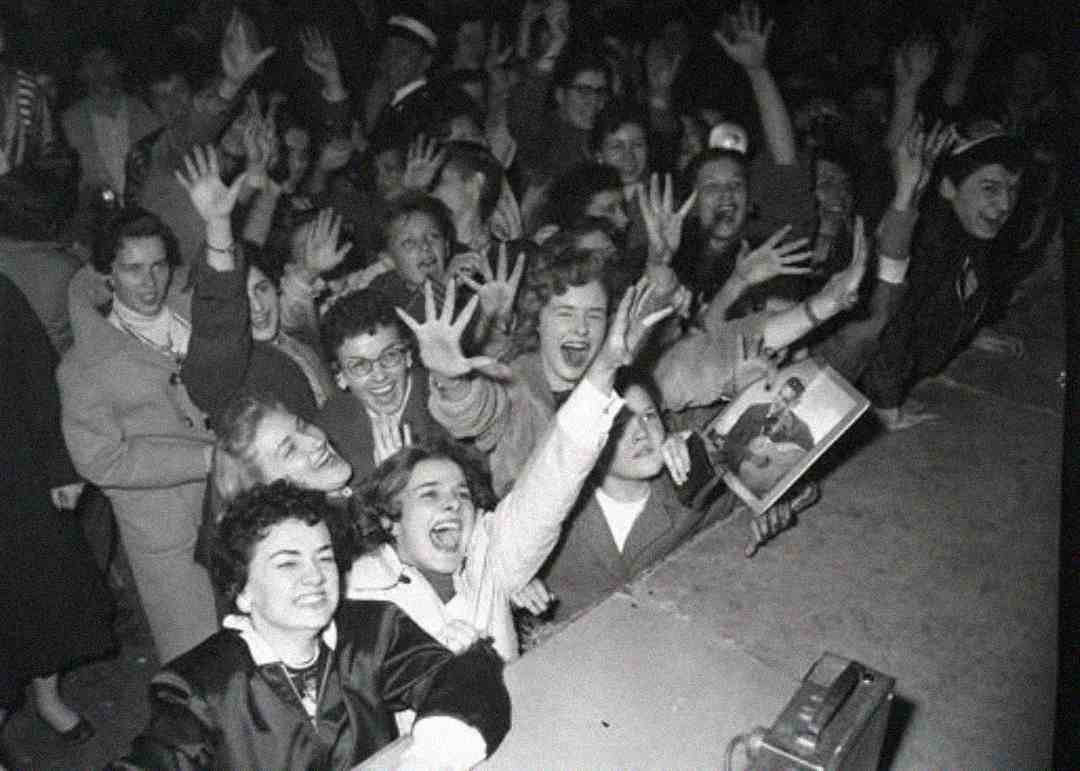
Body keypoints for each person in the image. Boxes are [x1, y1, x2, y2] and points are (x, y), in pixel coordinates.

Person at [348, 276, 667, 661]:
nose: (453, 505)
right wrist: (451, 380)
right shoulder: (360, 593)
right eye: (430, 493)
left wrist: (602, 372)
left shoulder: (486, 559)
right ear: (389, 520)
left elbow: (549, 483)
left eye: (462, 494)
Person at [114, 482, 510, 770]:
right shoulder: (200, 686)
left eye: (323, 558)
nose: (315, 577)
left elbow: (463, 676)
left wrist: (430, 759)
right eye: (288, 563)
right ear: (243, 590)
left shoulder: (371, 631)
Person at [58, 207, 219, 664]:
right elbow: (101, 460)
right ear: (107, 275)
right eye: (132, 269)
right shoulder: (82, 364)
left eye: (159, 265)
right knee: (199, 653)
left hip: (233, 499)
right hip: (164, 525)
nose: (150, 282)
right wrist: (204, 461)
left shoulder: (196, 314)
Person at [1, 275, 114, 750]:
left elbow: (39, 374)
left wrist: (62, 466)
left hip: (14, 470)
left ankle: (48, 697)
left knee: (40, 593)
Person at [538, 368, 734, 622]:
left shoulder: (691, 486)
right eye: (618, 425)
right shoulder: (555, 503)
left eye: (649, 416)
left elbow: (746, 504)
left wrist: (768, 513)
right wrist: (519, 581)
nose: (642, 432)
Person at [316, 286, 459, 482]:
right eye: (359, 365)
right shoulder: (333, 422)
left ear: (408, 356)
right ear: (340, 377)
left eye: (390, 355)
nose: (380, 375)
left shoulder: (447, 395)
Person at [715, 376, 814, 497]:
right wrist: (749, 456)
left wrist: (787, 448)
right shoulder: (754, 410)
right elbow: (728, 442)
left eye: (785, 400)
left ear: (794, 403)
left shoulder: (799, 429)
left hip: (763, 488)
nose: (778, 402)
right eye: (779, 395)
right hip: (733, 473)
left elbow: (809, 459)